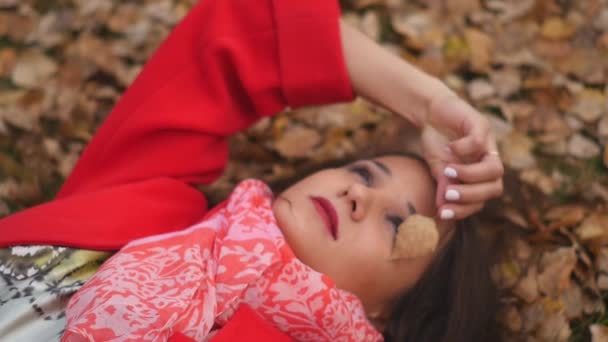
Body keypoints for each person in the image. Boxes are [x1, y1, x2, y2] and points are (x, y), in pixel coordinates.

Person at [0, 0, 504, 341]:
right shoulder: (155, 205)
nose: (359, 196)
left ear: (389, 312)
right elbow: (244, 26)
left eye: (397, 225)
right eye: (364, 173)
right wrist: (429, 102)